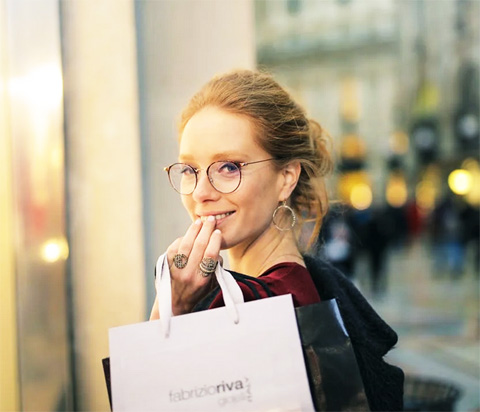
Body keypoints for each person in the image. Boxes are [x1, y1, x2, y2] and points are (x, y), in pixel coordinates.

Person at [149, 69, 404, 411]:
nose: (200, 192)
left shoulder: (251, 308)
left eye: (229, 167)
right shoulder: (305, 283)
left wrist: (173, 309)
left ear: (286, 178)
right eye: (189, 170)